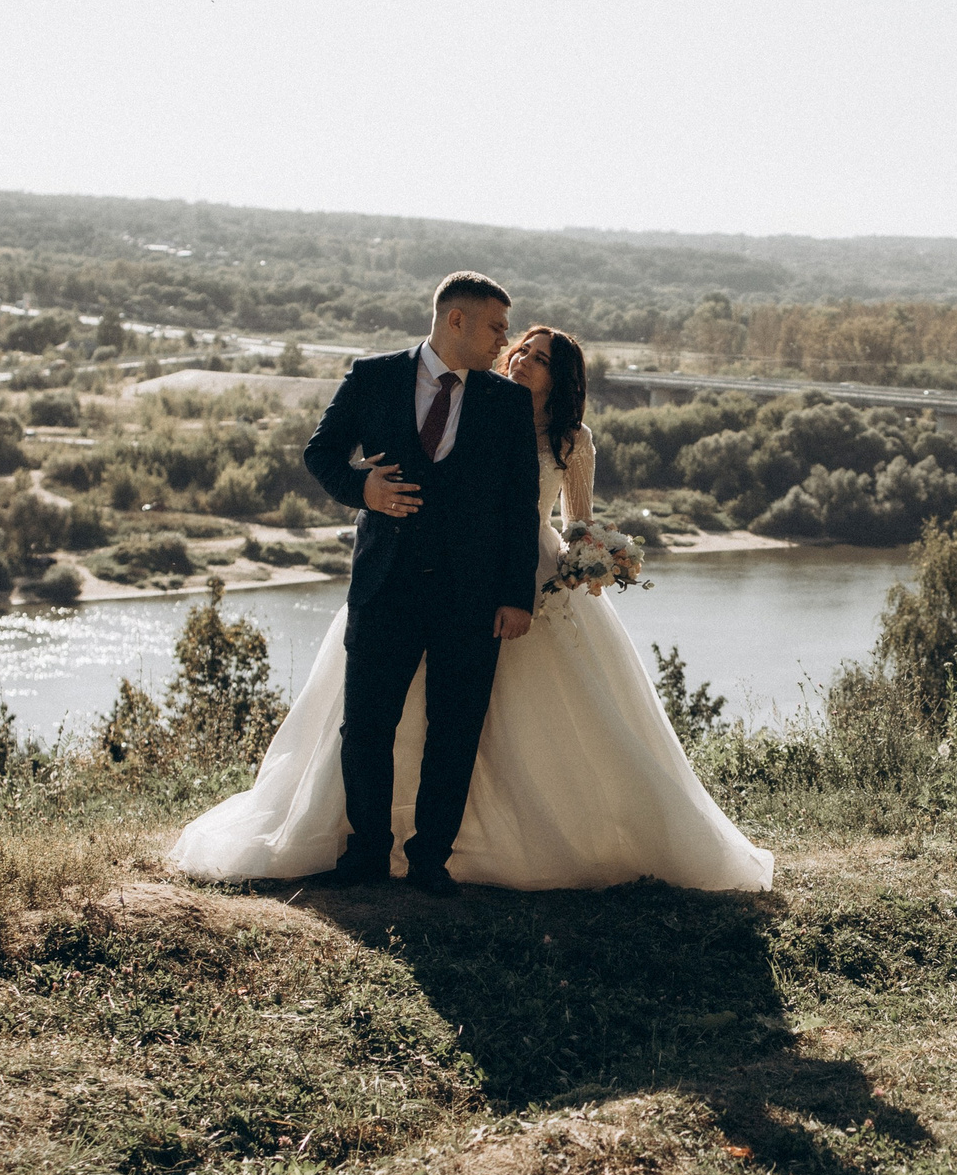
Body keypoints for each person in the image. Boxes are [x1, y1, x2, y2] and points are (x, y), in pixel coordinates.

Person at [167, 294, 771, 894]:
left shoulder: (505, 404)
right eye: (501, 330)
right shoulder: (373, 376)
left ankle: (432, 859)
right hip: (385, 584)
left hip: (475, 593)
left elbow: (518, 509)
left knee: (455, 731)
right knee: (367, 727)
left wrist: (519, 594)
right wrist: (362, 489)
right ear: (457, 319)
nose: (507, 345)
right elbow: (319, 452)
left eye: (525, 344)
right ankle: (366, 854)